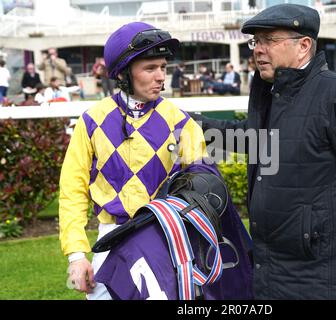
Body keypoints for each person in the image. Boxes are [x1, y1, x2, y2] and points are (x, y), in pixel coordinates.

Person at [190, 3, 336, 299]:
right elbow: (256, 140)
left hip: (323, 280)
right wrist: (190, 124)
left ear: (304, 46)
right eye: (256, 41)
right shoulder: (273, 93)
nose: (257, 49)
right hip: (272, 275)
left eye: (269, 40)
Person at [58, 22, 252, 300]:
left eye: (163, 67)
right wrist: (77, 255)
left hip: (164, 238)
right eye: (150, 69)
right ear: (124, 74)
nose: (161, 76)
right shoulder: (92, 121)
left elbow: (206, 185)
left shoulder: (180, 121)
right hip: (110, 239)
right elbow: (72, 191)